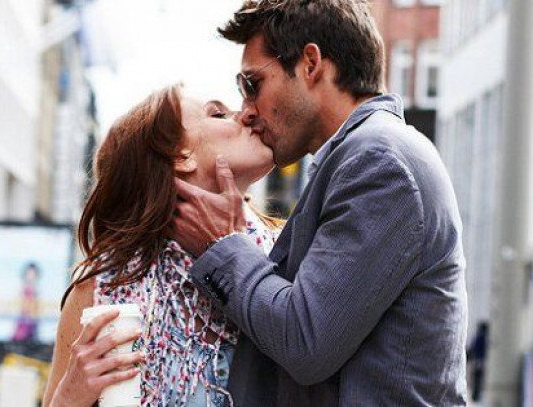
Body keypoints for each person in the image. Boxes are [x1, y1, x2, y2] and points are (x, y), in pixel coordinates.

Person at [172, 1, 468, 405]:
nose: (246, 111)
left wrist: (222, 244)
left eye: (253, 85)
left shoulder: (380, 162)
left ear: (310, 64)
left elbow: (304, 341)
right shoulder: (361, 157)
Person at [42, 84, 283, 407]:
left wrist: (233, 252)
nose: (247, 114)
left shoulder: (290, 253)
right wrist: (69, 397)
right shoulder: (103, 289)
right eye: (218, 114)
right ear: (180, 157)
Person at [12, 262, 41, 342]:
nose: (31, 276)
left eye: (33, 274)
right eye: (29, 274)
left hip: (32, 325)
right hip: (22, 325)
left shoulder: (36, 291)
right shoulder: (22, 290)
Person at [468, 322, 489, 402]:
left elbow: (472, 347)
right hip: (480, 360)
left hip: (476, 360)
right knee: (478, 378)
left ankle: (475, 395)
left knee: (475, 378)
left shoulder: (477, 337)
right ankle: (476, 396)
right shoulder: (483, 337)